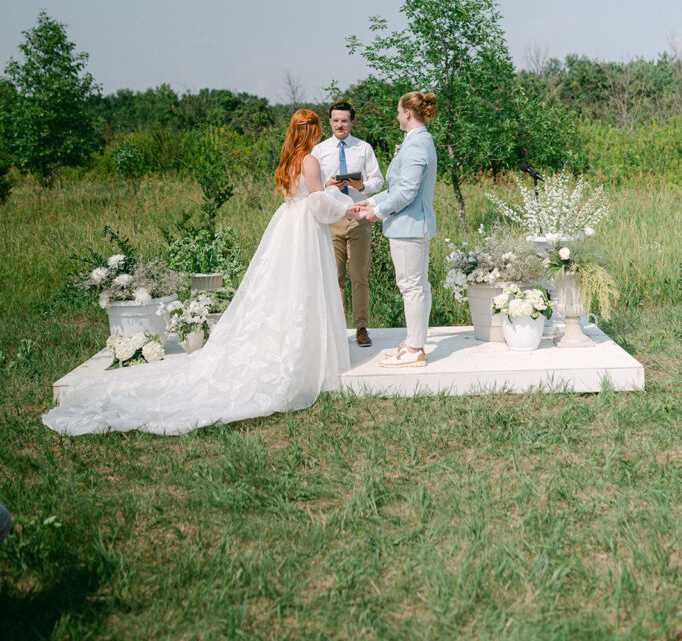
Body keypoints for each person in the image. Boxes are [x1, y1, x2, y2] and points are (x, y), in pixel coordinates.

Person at [43, 110, 354, 436]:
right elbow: (318, 204)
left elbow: (302, 195)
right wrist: (347, 207)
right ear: (315, 130)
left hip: (286, 225)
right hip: (304, 230)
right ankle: (304, 357)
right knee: (303, 288)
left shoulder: (288, 159)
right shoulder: (310, 159)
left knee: (282, 290)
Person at [349, 91, 438, 368]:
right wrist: (372, 200)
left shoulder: (416, 144)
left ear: (408, 113)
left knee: (411, 287)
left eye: (399, 111)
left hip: (408, 227)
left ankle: (414, 349)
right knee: (418, 286)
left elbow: (408, 191)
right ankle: (415, 342)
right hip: (410, 225)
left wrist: (376, 212)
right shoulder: (417, 140)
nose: (397, 116)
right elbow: (398, 187)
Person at [312, 102, 383, 347]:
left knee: (359, 275)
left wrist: (360, 186)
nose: (339, 125)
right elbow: (313, 186)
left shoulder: (363, 148)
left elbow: (378, 180)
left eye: (344, 120)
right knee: (334, 277)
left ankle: (361, 327)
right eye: (335, 120)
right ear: (329, 122)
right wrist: (328, 185)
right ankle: (337, 331)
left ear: (352, 122)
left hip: (358, 217)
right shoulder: (319, 151)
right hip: (331, 218)